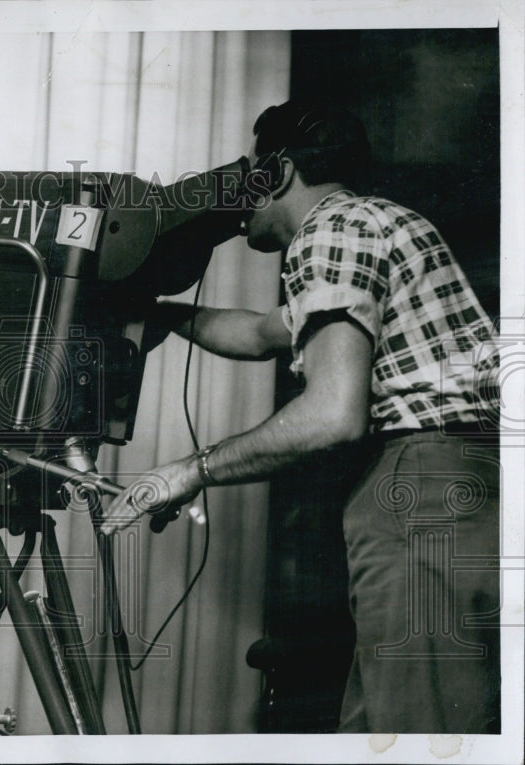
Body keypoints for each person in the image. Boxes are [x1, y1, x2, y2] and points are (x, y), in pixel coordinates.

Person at [102, 101, 500, 733]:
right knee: (389, 731)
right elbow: (264, 333)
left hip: (420, 494)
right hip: (464, 493)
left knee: (421, 737)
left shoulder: (329, 229)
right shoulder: (377, 223)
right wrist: (162, 317)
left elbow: (332, 415)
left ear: (279, 174)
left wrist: (191, 469)